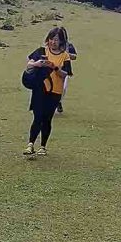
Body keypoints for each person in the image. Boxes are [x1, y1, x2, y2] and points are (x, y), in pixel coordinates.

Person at [24, 27, 72, 158]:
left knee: (47, 119)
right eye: (51, 39)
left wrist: (55, 67)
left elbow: (65, 74)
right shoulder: (41, 51)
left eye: (56, 40)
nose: (53, 42)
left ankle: (43, 147)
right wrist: (37, 64)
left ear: (61, 41)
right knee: (37, 117)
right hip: (40, 89)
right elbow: (29, 64)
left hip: (55, 92)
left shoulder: (65, 56)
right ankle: (30, 144)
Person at [57, 27, 77, 114]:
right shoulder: (54, 44)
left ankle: (59, 102)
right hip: (55, 68)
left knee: (63, 88)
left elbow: (74, 56)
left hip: (65, 69)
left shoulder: (69, 46)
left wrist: (66, 54)